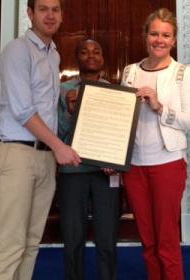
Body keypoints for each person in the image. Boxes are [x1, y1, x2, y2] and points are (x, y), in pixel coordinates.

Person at [0, 0, 81, 280]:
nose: (50, 16)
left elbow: (46, 110)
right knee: (9, 244)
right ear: (30, 13)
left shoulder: (52, 54)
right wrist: (60, 147)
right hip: (17, 155)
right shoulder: (17, 50)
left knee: (30, 243)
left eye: (55, 10)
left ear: (62, 15)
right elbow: (24, 110)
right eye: (43, 9)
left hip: (43, 159)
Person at [121, 8, 190, 280]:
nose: (159, 40)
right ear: (145, 36)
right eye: (154, 33)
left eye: (166, 35)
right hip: (134, 167)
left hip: (168, 164)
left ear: (174, 40)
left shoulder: (182, 73)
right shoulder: (130, 72)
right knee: (147, 239)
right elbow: (121, 120)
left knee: (166, 240)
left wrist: (159, 106)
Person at [58, 39, 120, 280]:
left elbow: (119, 132)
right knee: (73, 238)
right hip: (73, 173)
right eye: (84, 52)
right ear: (78, 59)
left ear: (102, 59)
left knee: (107, 237)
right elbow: (58, 135)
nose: (91, 55)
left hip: (106, 174)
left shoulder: (115, 92)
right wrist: (69, 111)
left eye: (96, 51)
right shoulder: (63, 90)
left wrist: (116, 162)